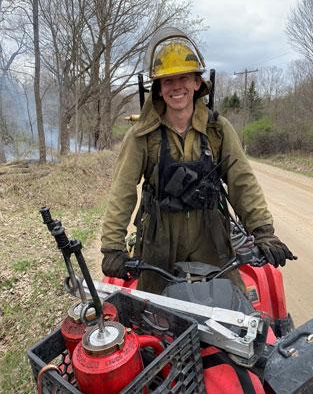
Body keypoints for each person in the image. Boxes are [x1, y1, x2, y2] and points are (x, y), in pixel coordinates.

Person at [100, 27, 294, 294]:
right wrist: (113, 247)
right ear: (158, 88)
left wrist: (263, 231)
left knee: (233, 309)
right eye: (167, 80)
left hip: (211, 234)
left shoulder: (218, 130)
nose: (176, 86)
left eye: (183, 78)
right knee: (154, 314)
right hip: (159, 236)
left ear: (197, 83)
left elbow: (242, 181)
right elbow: (122, 191)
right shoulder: (142, 136)